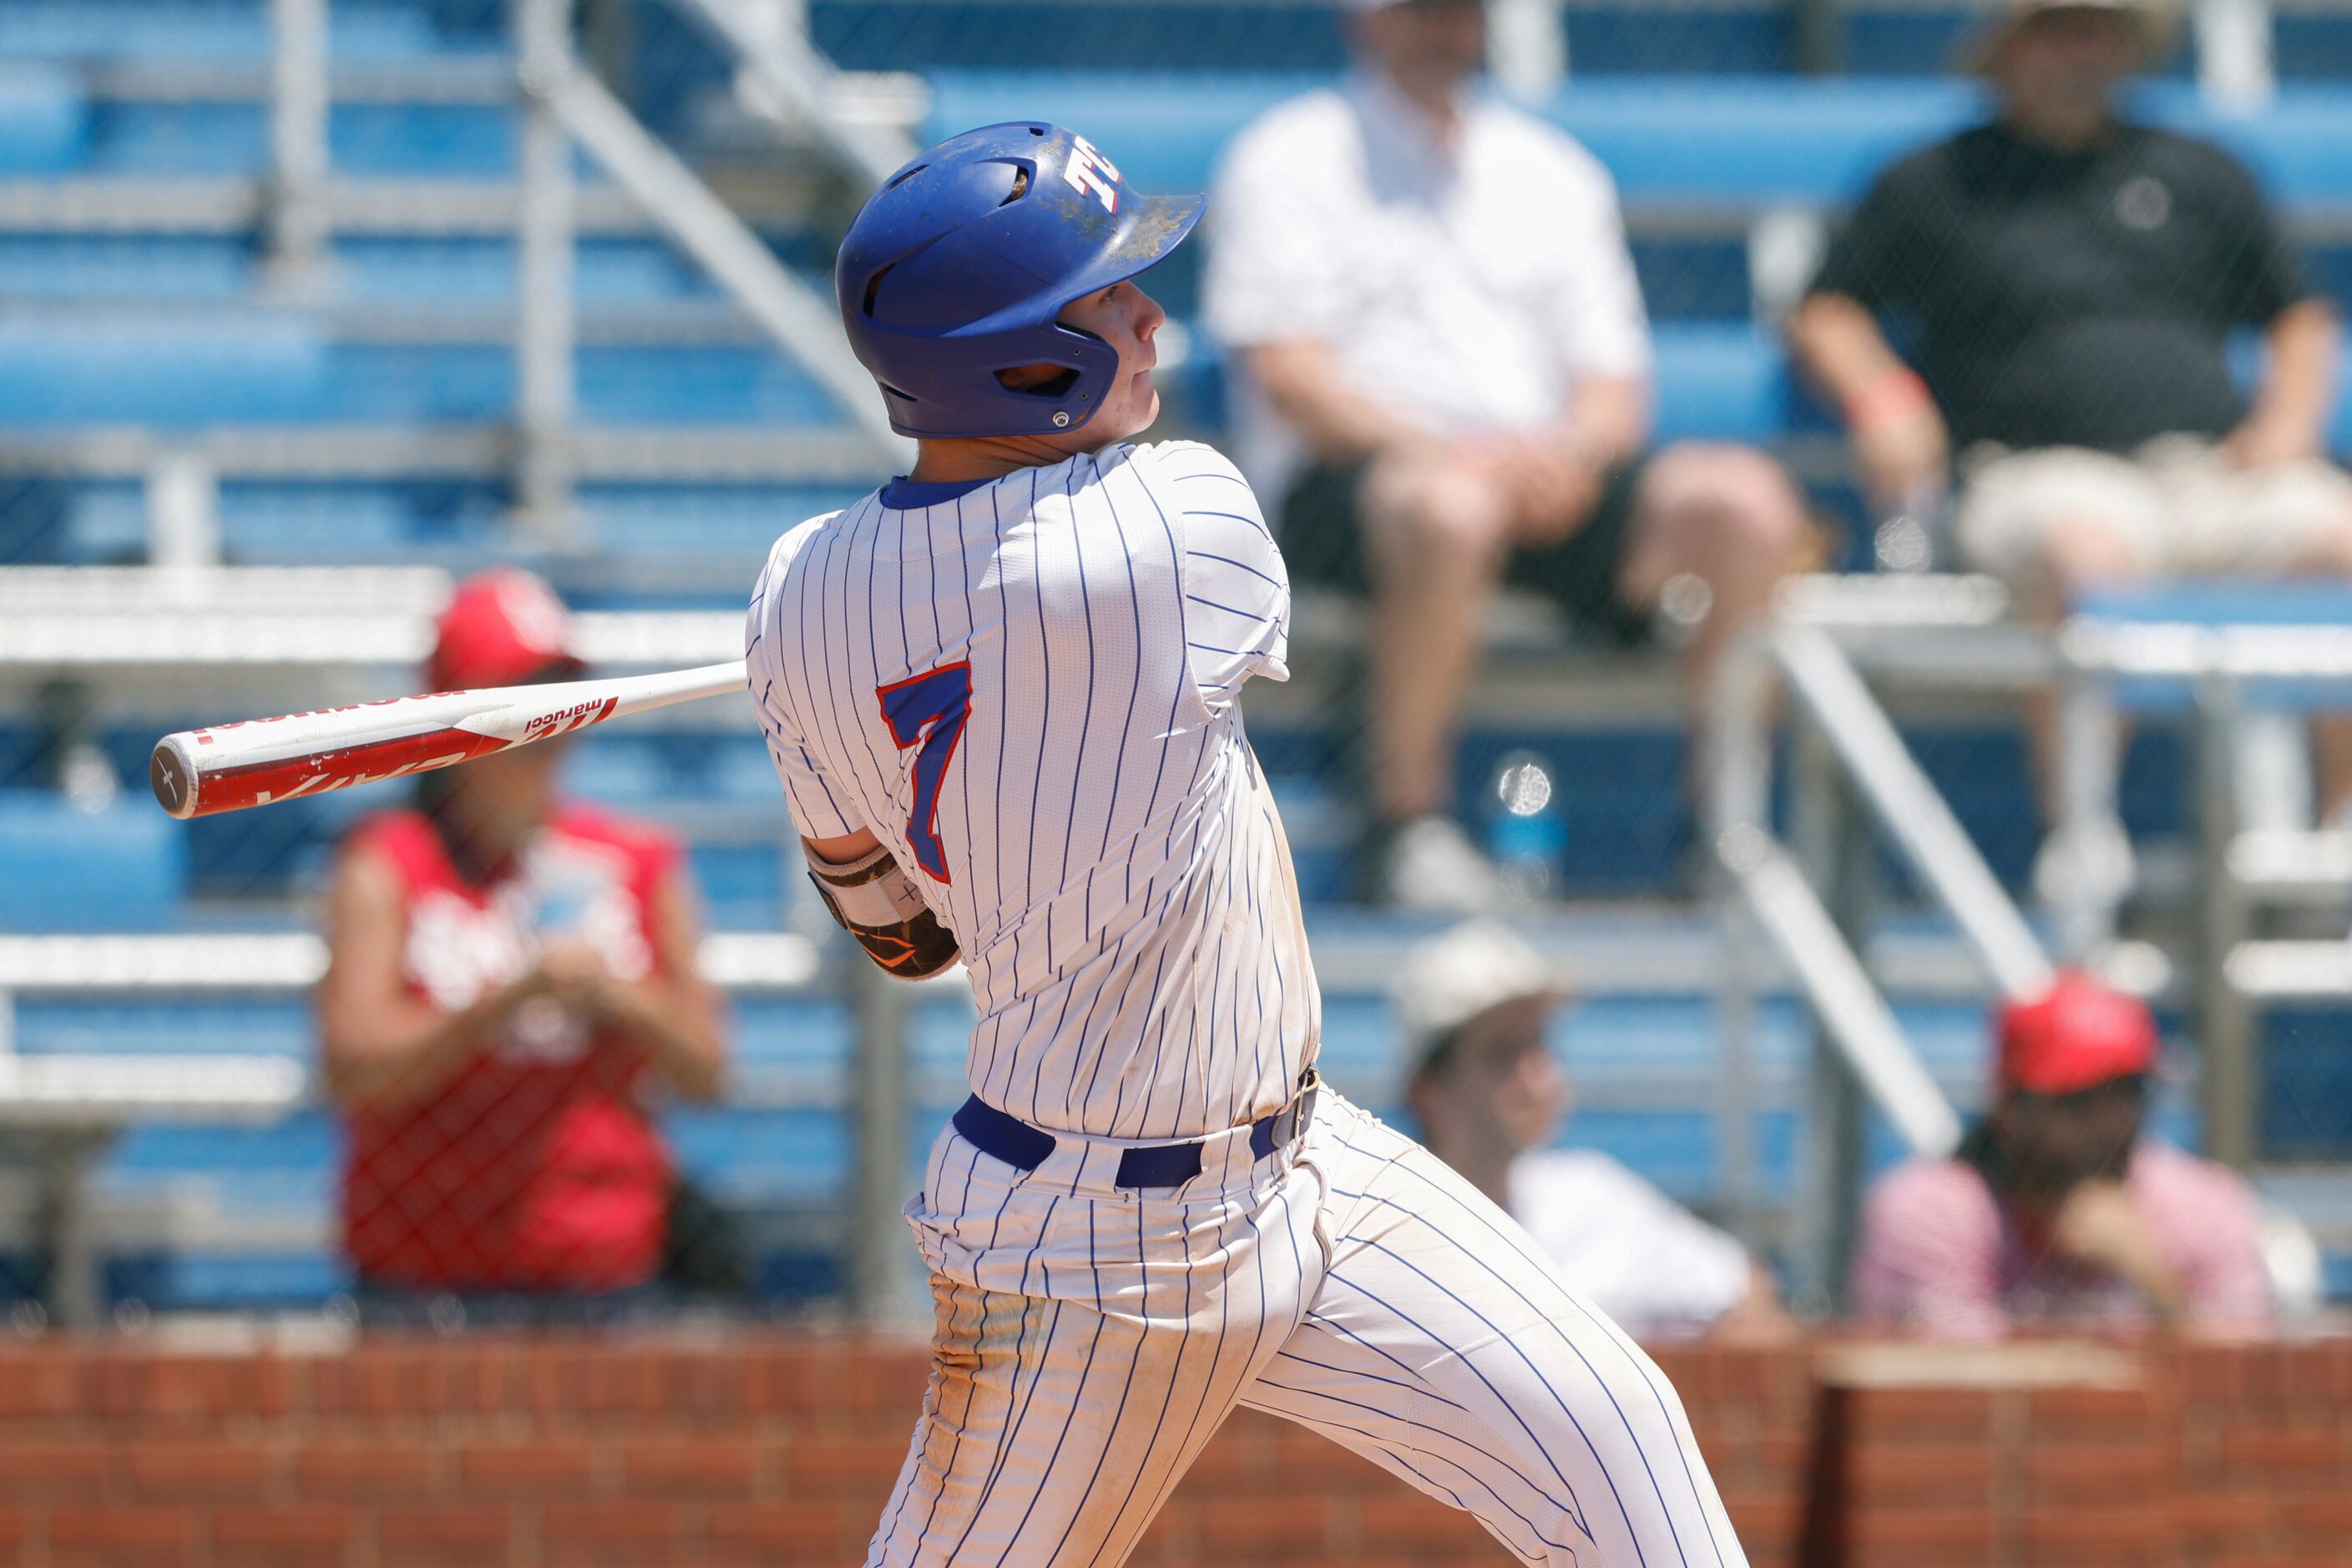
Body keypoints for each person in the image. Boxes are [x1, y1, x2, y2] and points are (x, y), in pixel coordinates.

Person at [750, 122, 1748, 1566]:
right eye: (1102, 299)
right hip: (1093, 1249)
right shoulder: (1181, 519)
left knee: (1617, 1437)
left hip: (1305, 1163)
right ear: (1010, 355)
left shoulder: (795, 594)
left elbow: (903, 936)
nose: (1153, 317)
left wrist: (874, 647)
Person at [1205, 0, 1813, 908]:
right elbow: (1292, 380)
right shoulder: (1287, 157)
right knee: (1449, 508)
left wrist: (1563, 456)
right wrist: (1473, 459)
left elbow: (1614, 388)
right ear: (1364, 18)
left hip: (1537, 483)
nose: (1447, 28)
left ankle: (1722, 829)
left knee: (1747, 503)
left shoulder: (1553, 170)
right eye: (1423, 10)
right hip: (1357, 493)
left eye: (1463, 12)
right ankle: (1407, 824)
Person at [1788, 0, 2352, 876]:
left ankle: (2338, 841)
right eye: (2060, 27)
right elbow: (1828, 308)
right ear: (2008, 49)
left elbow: (2299, 318)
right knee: (2088, 552)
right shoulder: (1941, 183)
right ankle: (2084, 841)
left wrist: (2287, 422)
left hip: (2209, 476)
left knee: (2340, 536)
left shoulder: (2198, 173)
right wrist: (1883, 395)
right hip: (2033, 476)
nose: (2083, 50)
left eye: (2102, 29)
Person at [315, 568, 731, 1325]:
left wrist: (616, 997)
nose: (546, 735)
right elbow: (351, 1068)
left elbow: (706, 1069)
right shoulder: (389, 865)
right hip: (422, 1291)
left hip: (604, 1281)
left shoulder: (637, 861)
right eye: (520, 705)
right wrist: (502, 1003)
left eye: (558, 702)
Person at [1400, 922, 1792, 1341]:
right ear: (1431, 1091)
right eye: (1502, 1053)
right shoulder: (1384, 1230)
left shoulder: (1590, 1194)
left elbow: (1749, 1298)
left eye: (1538, 1044)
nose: (1537, 1078)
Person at [1851, 969, 2272, 1338]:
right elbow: (1953, 1401)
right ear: (2012, 1112)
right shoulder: (1931, 1213)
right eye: (2083, 1100)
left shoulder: (2205, 1207)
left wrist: (2157, 1284)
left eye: (2129, 1094)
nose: (2113, 1125)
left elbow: (2250, 1390)